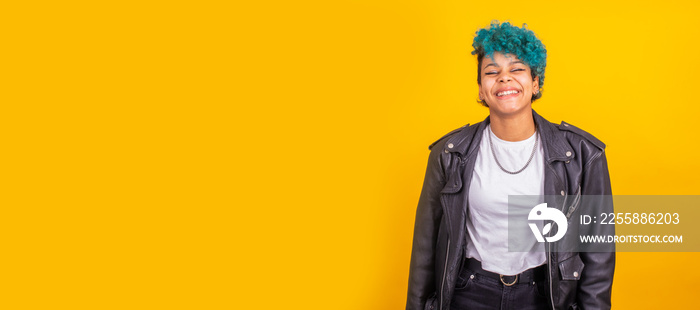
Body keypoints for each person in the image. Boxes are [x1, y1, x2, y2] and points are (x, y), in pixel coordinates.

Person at [406, 21, 614, 310]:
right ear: (481, 89)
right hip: (469, 293)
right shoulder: (449, 153)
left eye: (516, 69)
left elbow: (599, 250)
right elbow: (425, 248)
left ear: (536, 82)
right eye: (492, 72)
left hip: (546, 296)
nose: (504, 79)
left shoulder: (582, 154)